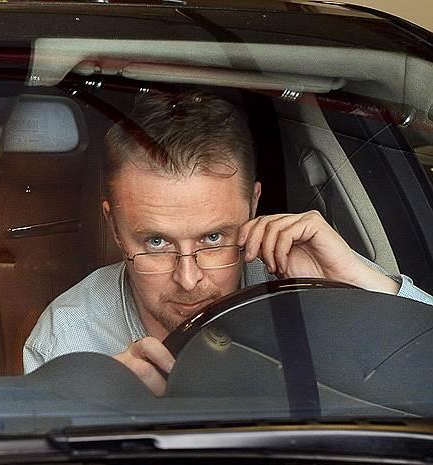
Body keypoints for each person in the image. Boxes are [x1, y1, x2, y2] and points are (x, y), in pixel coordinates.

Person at [23, 89, 433, 395]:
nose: (188, 279)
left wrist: (363, 286)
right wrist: (98, 402)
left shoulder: (316, 288)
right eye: (157, 241)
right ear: (114, 227)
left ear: (253, 205)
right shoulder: (68, 336)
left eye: (214, 237)